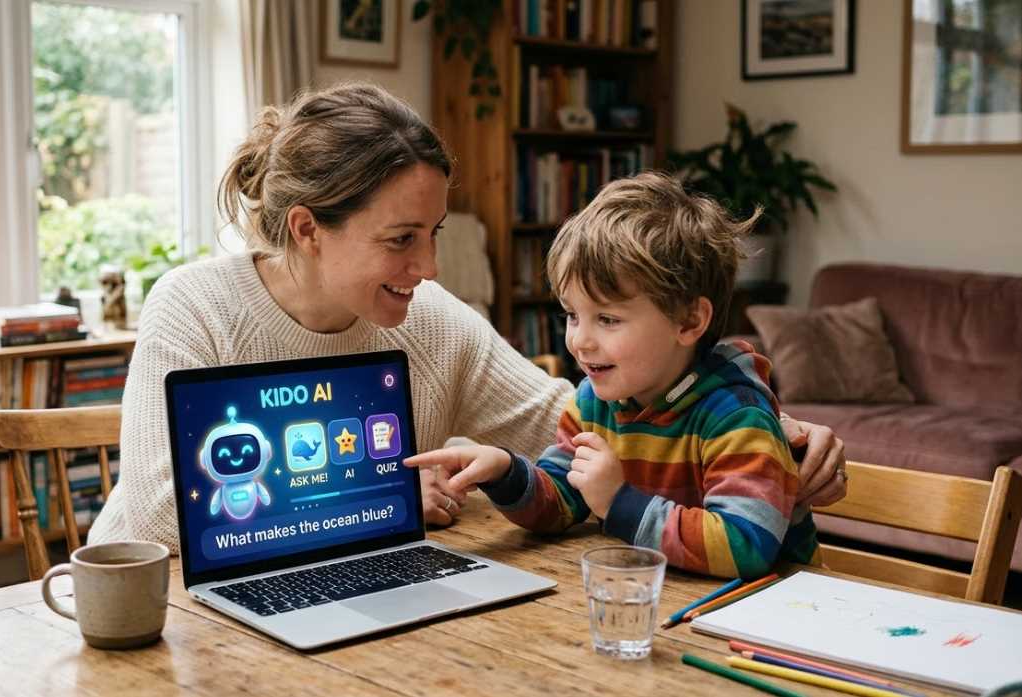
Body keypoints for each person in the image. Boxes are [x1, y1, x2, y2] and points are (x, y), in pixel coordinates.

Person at [87, 83, 846, 551]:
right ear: (307, 228)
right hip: (163, 619)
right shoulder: (195, 306)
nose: (429, 267)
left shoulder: (429, 320)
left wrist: (772, 437)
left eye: (433, 233)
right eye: (400, 239)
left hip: (344, 596)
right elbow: (159, 514)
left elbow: (583, 421)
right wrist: (367, 500)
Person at [406, 173, 819, 578]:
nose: (580, 342)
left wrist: (618, 501)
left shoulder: (735, 415)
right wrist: (505, 472)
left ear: (690, 321)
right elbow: (560, 502)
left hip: (765, 616)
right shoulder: (594, 401)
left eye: (607, 319)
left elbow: (743, 546)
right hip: (654, 599)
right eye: (572, 315)